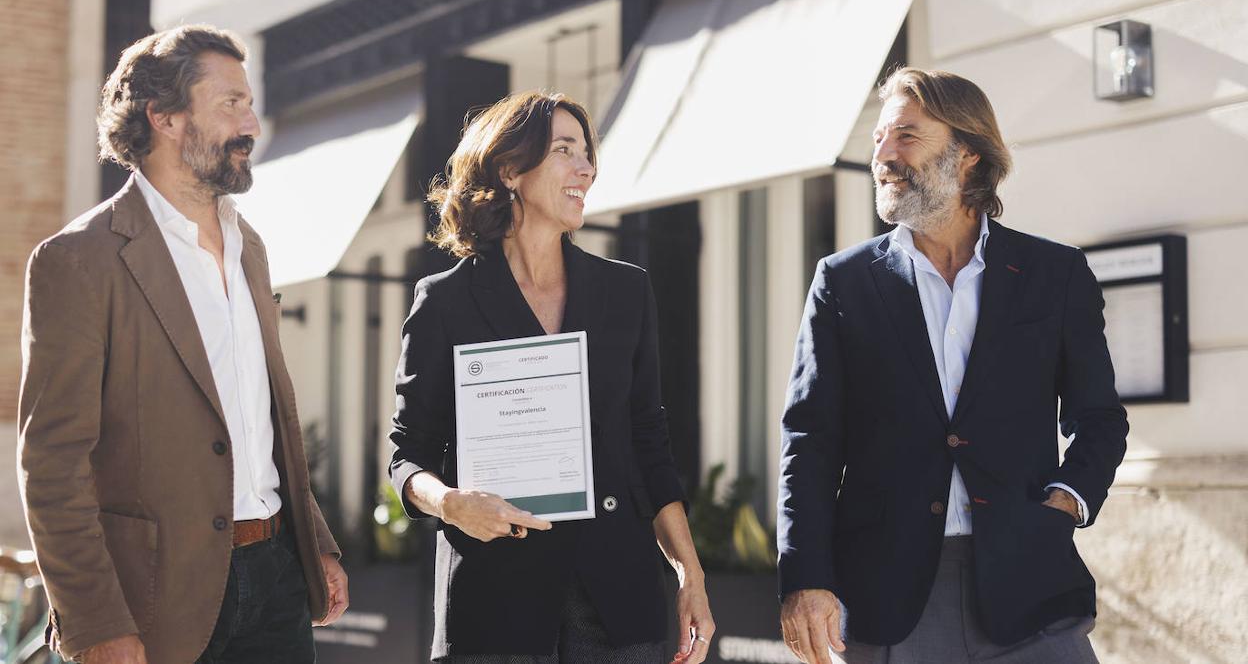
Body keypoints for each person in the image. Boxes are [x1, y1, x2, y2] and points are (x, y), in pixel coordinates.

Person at [17, 24, 348, 664]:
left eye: (249, 103)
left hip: (276, 580)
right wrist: (94, 624)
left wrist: (317, 545)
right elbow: (53, 470)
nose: (252, 123)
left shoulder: (250, 247)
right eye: (231, 103)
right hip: (152, 605)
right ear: (164, 116)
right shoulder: (79, 261)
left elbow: (265, 418)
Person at [777, 68, 1129, 664]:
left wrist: (1066, 500)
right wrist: (805, 578)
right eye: (879, 139)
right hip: (890, 598)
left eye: (907, 136)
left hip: (1029, 583)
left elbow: (1100, 418)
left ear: (967, 153)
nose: (884, 155)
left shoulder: (1055, 274)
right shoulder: (842, 283)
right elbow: (809, 442)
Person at [390, 91, 714, 663]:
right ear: (510, 169)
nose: (586, 167)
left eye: (587, 153)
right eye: (565, 150)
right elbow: (407, 456)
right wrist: (451, 503)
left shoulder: (626, 292)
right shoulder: (444, 302)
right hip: (494, 603)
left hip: (617, 597)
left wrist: (690, 572)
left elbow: (650, 445)